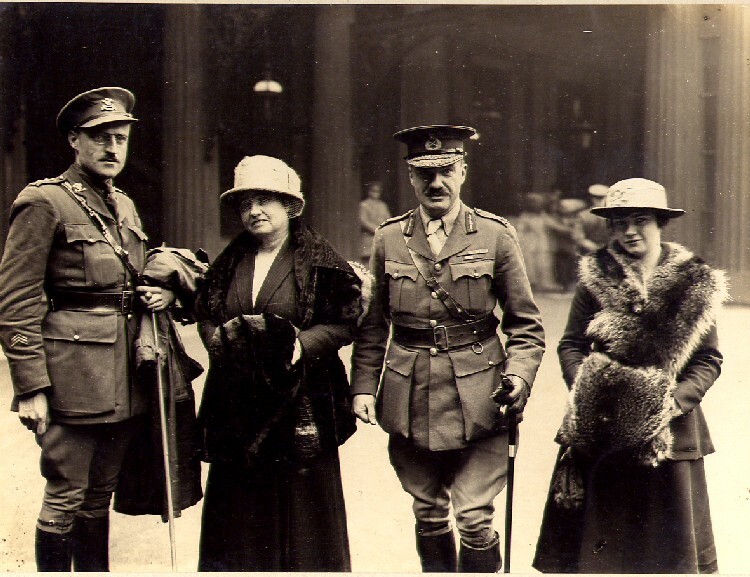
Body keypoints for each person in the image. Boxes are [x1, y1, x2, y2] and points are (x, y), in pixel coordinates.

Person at [351, 125, 545, 573]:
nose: (435, 183)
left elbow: (526, 325)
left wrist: (519, 376)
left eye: (445, 172)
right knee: (428, 511)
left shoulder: (495, 235)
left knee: (473, 516)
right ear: (410, 177)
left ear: (462, 172)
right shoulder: (388, 238)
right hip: (410, 395)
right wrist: (362, 385)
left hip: (482, 396)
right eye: (424, 174)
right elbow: (373, 325)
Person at [0, 87, 179, 571]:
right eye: (100, 137)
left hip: (125, 376)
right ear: (74, 141)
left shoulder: (124, 205)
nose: (112, 148)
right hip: (73, 378)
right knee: (65, 495)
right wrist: (31, 387)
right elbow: (15, 300)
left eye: (120, 138)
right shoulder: (44, 202)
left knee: (99, 495)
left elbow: (132, 279)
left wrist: (163, 293)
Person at [533, 178, 728, 573]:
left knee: (666, 550)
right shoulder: (596, 275)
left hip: (668, 428)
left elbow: (708, 359)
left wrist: (674, 402)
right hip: (601, 424)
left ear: (660, 223)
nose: (630, 232)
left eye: (641, 221)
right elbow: (571, 344)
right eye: (620, 223)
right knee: (601, 548)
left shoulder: (694, 282)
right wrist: (587, 389)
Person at [193, 154, 363, 571]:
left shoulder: (322, 262)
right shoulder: (228, 263)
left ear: (290, 206)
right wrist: (217, 342)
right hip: (238, 405)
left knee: (303, 513)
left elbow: (345, 322)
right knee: (238, 511)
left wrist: (301, 344)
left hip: (300, 399)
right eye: (245, 203)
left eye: (265, 200)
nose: (254, 210)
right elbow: (206, 313)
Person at [514, 192, 561, 292]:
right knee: (530, 264)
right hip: (529, 244)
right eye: (535, 203)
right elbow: (520, 231)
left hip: (542, 243)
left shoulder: (543, 216)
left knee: (544, 263)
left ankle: (545, 284)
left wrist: (568, 230)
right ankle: (532, 284)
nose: (538, 205)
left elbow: (555, 226)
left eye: (539, 203)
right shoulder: (524, 217)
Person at [359, 180, 392, 265]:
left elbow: (388, 219)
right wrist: (376, 229)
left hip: (382, 238)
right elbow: (363, 221)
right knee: (368, 263)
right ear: (369, 191)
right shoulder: (364, 205)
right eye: (373, 191)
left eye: (378, 191)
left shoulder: (383, 205)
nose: (375, 193)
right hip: (369, 238)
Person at [576, 183, 610, 253]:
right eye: (599, 198)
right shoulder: (583, 216)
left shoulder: (613, 216)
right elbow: (579, 238)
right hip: (590, 252)